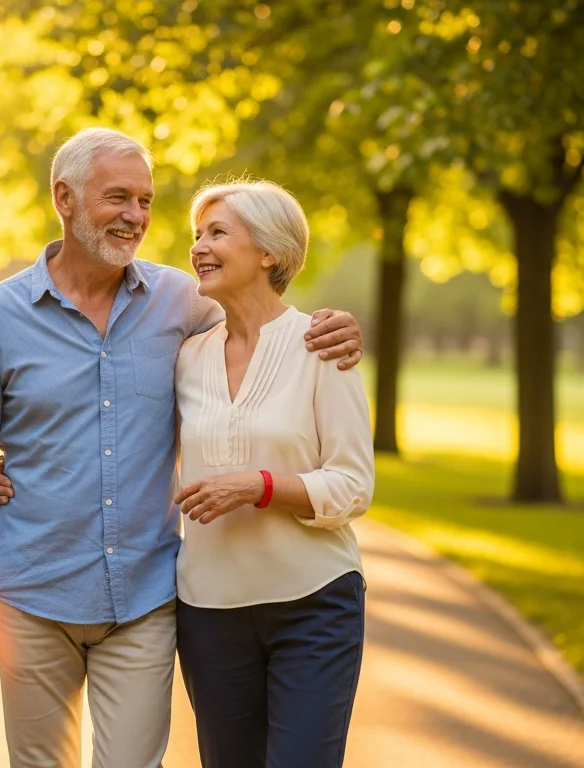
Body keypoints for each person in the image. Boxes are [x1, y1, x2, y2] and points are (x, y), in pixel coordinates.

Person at [0, 128, 363, 768]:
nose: (136, 216)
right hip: (32, 593)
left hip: (145, 598)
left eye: (146, 201)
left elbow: (260, 319)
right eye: (118, 198)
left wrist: (336, 325)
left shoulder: (182, 301)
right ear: (65, 198)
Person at [171, 180, 373, 767]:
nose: (199, 248)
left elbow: (353, 484)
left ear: (269, 252)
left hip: (313, 605)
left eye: (218, 233)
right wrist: (15, 468)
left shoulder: (320, 346)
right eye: (197, 235)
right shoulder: (186, 356)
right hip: (209, 611)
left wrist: (258, 486)